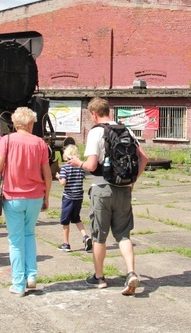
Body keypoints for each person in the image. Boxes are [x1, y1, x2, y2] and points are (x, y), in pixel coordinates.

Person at [68, 97, 147, 295]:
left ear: (93, 114)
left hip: (102, 190)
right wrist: (132, 181)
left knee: (99, 236)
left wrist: (78, 163)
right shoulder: (124, 130)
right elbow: (143, 158)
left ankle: (99, 277)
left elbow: (92, 165)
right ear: (108, 111)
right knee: (123, 234)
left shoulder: (96, 132)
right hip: (123, 189)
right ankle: (131, 273)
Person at [0, 106, 52, 296]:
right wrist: (47, 197)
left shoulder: (6, 140)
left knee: (15, 241)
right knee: (29, 235)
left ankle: (18, 284)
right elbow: (47, 174)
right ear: (30, 123)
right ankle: (31, 275)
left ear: (16, 124)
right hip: (35, 196)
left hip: (13, 196)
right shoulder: (39, 143)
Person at [56, 144, 92, 252]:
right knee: (76, 218)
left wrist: (58, 177)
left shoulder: (65, 168)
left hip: (68, 197)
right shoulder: (80, 168)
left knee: (65, 221)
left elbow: (63, 183)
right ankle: (85, 236)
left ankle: (66, 243)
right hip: (79, 197)